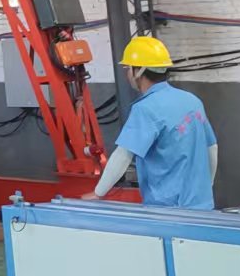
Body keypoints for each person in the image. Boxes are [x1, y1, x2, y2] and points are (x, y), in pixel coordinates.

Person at [92, 35, 218, 209]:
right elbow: (212, 148)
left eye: (128, 68)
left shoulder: (146, 108)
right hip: (202, 205)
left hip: (168, 210)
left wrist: (98, 194)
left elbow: (123, 155)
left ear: (138, 71)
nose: (127, 73)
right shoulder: (193, 101)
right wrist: (207, 187)